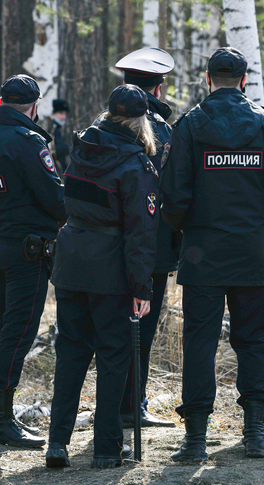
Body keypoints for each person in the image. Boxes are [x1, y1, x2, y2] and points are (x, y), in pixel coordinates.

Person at [160, 47, 264, 461]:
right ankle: (255, 433)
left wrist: (185, 228)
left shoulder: (188, 126)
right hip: (254, 252)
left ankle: (196, 439)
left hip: (202, 252)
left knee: (200, 343)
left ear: (208, 79)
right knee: (254, 339)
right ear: (244, 80)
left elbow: (172, 194)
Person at [46, 85, 159, 469]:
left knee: (71, 355)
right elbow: (141, 233)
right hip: (110, 271)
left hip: (72, 263)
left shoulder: (81, 150)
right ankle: (107, 448)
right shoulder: (136, 164)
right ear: (141, 120)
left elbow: (67, 202)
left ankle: (57, 443)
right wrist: (142, 287)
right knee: (114, 357)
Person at [0, 75, 66, 448]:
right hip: (26, 249)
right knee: (19, 330)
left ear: (0, 100)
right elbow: (55, 201)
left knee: (0, 326)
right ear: (35, 106)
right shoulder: (28, 143)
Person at [114, 47, 179, 429]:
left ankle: (120, 403)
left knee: (114, 328)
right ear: (158, 89)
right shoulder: (163, 131)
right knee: (143, 328)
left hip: (107, 244)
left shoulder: (103, 125)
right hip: (151, 246)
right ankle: (130, 405)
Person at [48, 99, 71, 174]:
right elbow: (51, 149)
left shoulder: (59, 128)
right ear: (54, 113)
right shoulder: (50, 127)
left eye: (65, 114)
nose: (64, 116)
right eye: (61, 113)